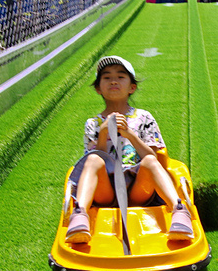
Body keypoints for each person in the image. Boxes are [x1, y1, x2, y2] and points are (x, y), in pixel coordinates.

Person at [64, 56, 194, 244]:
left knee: (149, 161)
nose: (114, 81)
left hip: (138, 188)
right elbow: (91, 165)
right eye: (107, 77)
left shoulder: (143, 117)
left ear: (131, 87)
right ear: (98, 88)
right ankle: (80, 214)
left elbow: (154, 158)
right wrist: (103, 134)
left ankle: (179, 210)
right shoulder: (93, 123)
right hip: (105, 190)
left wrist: (129, 134)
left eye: (121, 77)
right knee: (92, 159)